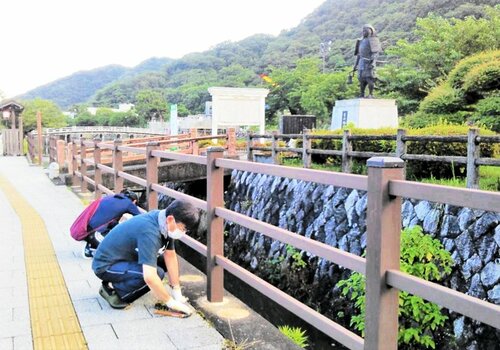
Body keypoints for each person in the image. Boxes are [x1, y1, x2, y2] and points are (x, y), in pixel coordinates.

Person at [91, 200, 200, 314]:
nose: (183, 233)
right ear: (171, 219)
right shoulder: (150, 232)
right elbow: (150, 277)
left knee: (162, 262)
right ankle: (113, 290)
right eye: (183, 229)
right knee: (157, 273)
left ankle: (126, 280)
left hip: (124, 256)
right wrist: (170, 302)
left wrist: (176, 290)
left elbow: (170, 255)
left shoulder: (163, 220)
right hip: (106, 265)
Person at [83, 189, 141, 259]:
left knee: (115, 226)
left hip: (87, 227)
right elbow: (140, 218)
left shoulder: (110, 197)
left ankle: (90, 248)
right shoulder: (129, 203)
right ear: (134, 201)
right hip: (99, 230)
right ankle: (98, 249)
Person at [353, 24, 382, 98]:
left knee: (369, 78)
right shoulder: (360, 41)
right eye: (363, 31)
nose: (364, 32)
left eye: (366, 30)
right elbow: (359, 54)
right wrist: (355, 65)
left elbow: (375, 53)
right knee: (361, 79)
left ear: (371, 31)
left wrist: (373, 62)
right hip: (361, 62)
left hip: (369, 62)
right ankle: (362, 93)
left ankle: (371, 94)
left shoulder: (373, 40)